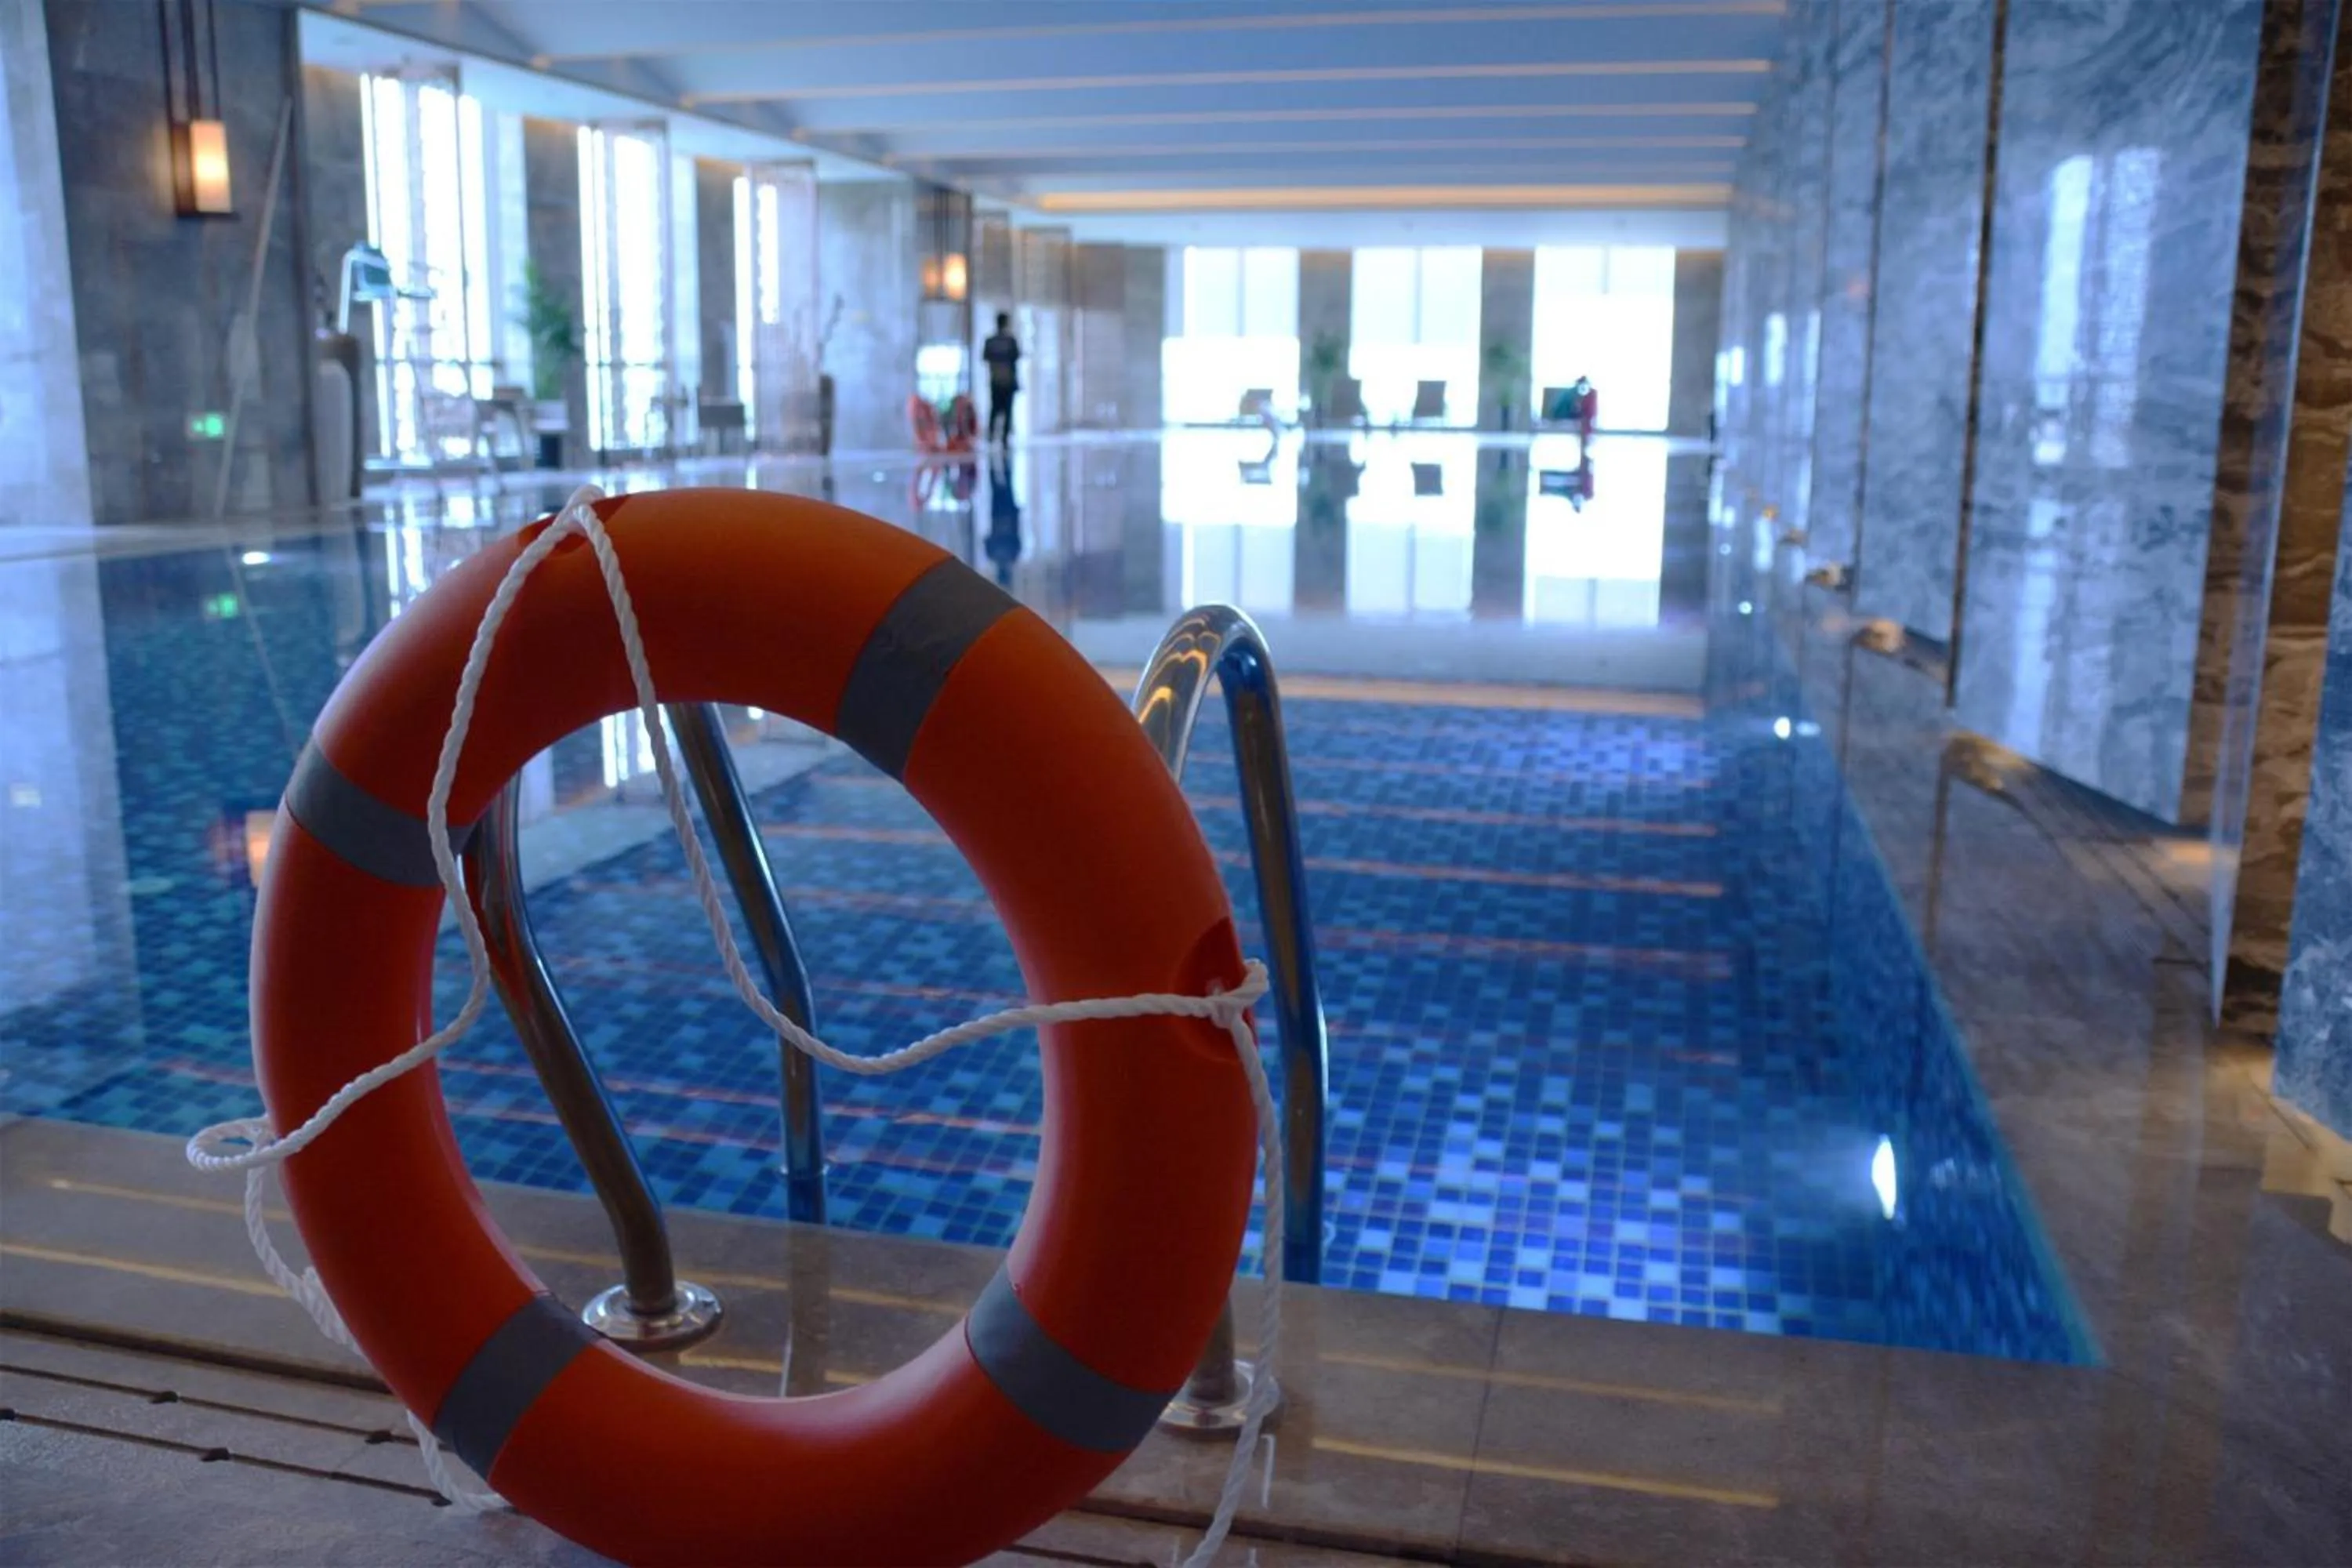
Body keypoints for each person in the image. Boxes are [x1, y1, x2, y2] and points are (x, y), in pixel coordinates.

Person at [982, 312, 1021, 445]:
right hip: (1007, 380)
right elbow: (1015, 359)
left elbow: (985, 358)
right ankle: (1004, 438)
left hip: (996, 379)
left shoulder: (991, 341)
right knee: (1007, 410)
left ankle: (992, 435)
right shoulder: (1010, 341)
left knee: (995, 409)